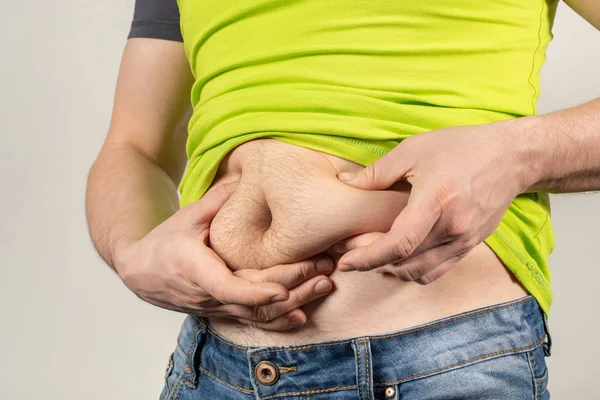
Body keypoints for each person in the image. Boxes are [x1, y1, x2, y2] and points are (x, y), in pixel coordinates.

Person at [85, 0, 600, 398]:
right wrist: (132, 250)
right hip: (215, 367)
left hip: (444, 364)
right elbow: (133, 146)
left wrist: (514, 157)